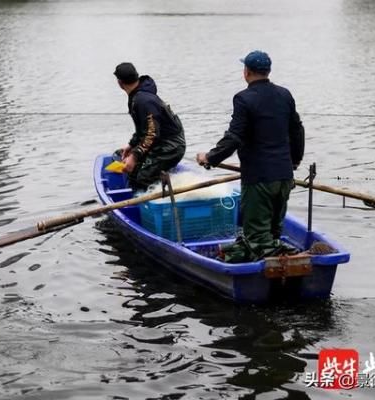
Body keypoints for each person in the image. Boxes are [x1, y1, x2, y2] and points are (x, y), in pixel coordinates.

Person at [196, 50, 305, 262]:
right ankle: (239, 257)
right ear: (268, 71)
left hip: (259, 180)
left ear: (246, 71)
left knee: (258, 238)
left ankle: (295, 257)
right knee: (271, 233)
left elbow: (234, 137)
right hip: (284, 176)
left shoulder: (243, 99)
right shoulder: (285, 94)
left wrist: (210, 157)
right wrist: (295, 160)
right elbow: (297, 130)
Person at [114, 62, 186, 191]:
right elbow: (144, 129)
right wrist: (132, 145)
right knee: (133, 174)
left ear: (119, 83)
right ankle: (141, 199)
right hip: (159, 142)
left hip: (171, 146)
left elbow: (152, 133)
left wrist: (134, 156)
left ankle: (157, 205)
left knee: (143, 178)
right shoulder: (137, 96)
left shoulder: (143, 100)